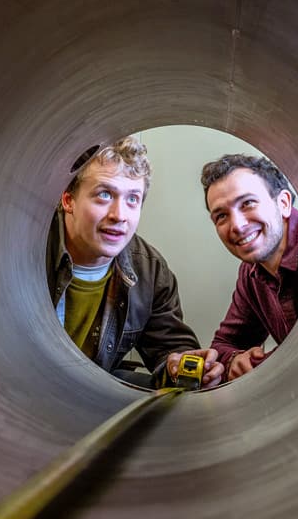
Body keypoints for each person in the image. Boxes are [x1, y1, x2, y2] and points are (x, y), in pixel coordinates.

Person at [47, 136, 225, 388]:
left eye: (132, 199)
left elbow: (169, 347)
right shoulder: (25, 250)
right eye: (104, 194)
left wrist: (179, 365)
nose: (119, 215)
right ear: (68, 200)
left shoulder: (150, 270)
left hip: (88, 394)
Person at [180, 153, 298, 383]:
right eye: (221, 216)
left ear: (283, 203)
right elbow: (223, 345)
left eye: (248, 203)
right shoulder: (251, 273)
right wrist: (234, 361)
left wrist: (258, 365)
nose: (238, 226)